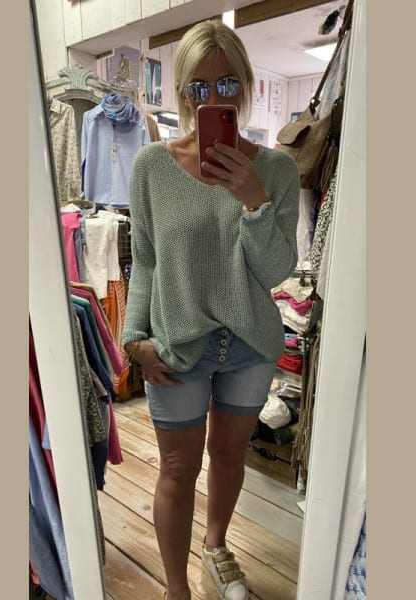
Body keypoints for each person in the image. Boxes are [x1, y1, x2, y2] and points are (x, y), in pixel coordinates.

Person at [121, 19, 300, 600]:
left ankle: (216, 546)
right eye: (198, 88)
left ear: (245, 86)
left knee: (227, 457)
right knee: (178, 470)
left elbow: (275, 272)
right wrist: (133, 336)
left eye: (226, 85)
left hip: (250, 345)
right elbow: (146, 260)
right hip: (177, 342)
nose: (213, 98)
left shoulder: (277, 170)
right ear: (181, 93)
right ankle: (176, 589)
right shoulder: (151, 165)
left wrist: (254, 201)